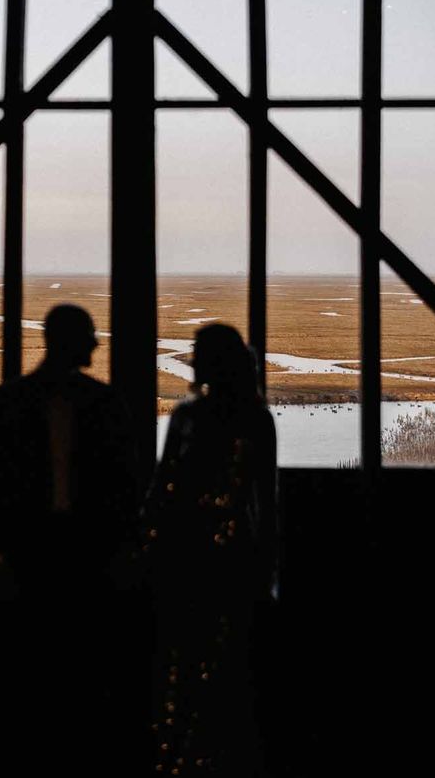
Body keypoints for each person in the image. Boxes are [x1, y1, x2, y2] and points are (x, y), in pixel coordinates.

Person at [0, 304, 140, 774]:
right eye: (89, 336)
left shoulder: (13, 400)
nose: (96, 344)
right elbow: (124, 488)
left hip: (69, 554)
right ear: (69, 341)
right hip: (56, 554)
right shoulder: (103, 404)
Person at [141, 323, 278, 777]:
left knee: (181, 661)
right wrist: (266, 569)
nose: (192, 360)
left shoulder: (188, 417)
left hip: (186, 558)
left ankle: (177, 754)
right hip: (232, 558)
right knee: (223, 663)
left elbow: (164, 490)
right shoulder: (255, 417)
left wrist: (148, 543)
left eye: (198, 353)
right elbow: (265, 501)